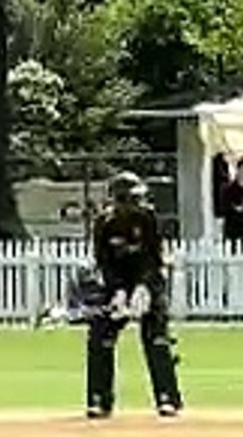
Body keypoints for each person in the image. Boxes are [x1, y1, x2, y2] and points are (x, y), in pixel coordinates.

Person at [85, 171, 182, 419]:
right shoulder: (103, 224)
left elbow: (154, 258)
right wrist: (117, 292)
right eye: (131, 199)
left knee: (157, 339)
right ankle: (99, 399)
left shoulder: (148, 218)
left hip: (147, 281)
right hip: (116, 283)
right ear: (119, 199)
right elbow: (104, 261)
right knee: (100, 337)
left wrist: (143, 287)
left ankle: (167, 397)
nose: (138, 203)